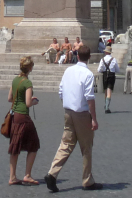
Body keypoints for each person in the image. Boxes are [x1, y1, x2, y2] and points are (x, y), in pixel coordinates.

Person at [45, 44, 101, 192]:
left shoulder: (68, 70)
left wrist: (67, 103)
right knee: (86, 148)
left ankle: (52, 173)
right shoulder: (88, 74)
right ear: (89, 57)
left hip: (68, 112)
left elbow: (61, 90)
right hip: (82, 114)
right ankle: (87, 180)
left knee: (66, 144)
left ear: (77, 56)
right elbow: (90, 98)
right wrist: (94, 118)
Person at [8, 56, 41, 186]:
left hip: (14, 115)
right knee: (34, 145)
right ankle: (27, 175)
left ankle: (12, 176)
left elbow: (10, 98)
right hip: (23, 116)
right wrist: (34, 101)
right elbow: (28, 103)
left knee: (15, 146)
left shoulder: (15, 79)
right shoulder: (27, 82)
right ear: (30, 68)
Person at [97, 46, 119, 114]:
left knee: (106, 90)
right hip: (111, 75)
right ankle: (107, 107)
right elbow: (117, 70)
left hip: (104, 75)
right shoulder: (114, 59)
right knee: (109, 90)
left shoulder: (102, 59)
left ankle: (106, 105)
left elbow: (99, 69)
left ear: (106, 52)